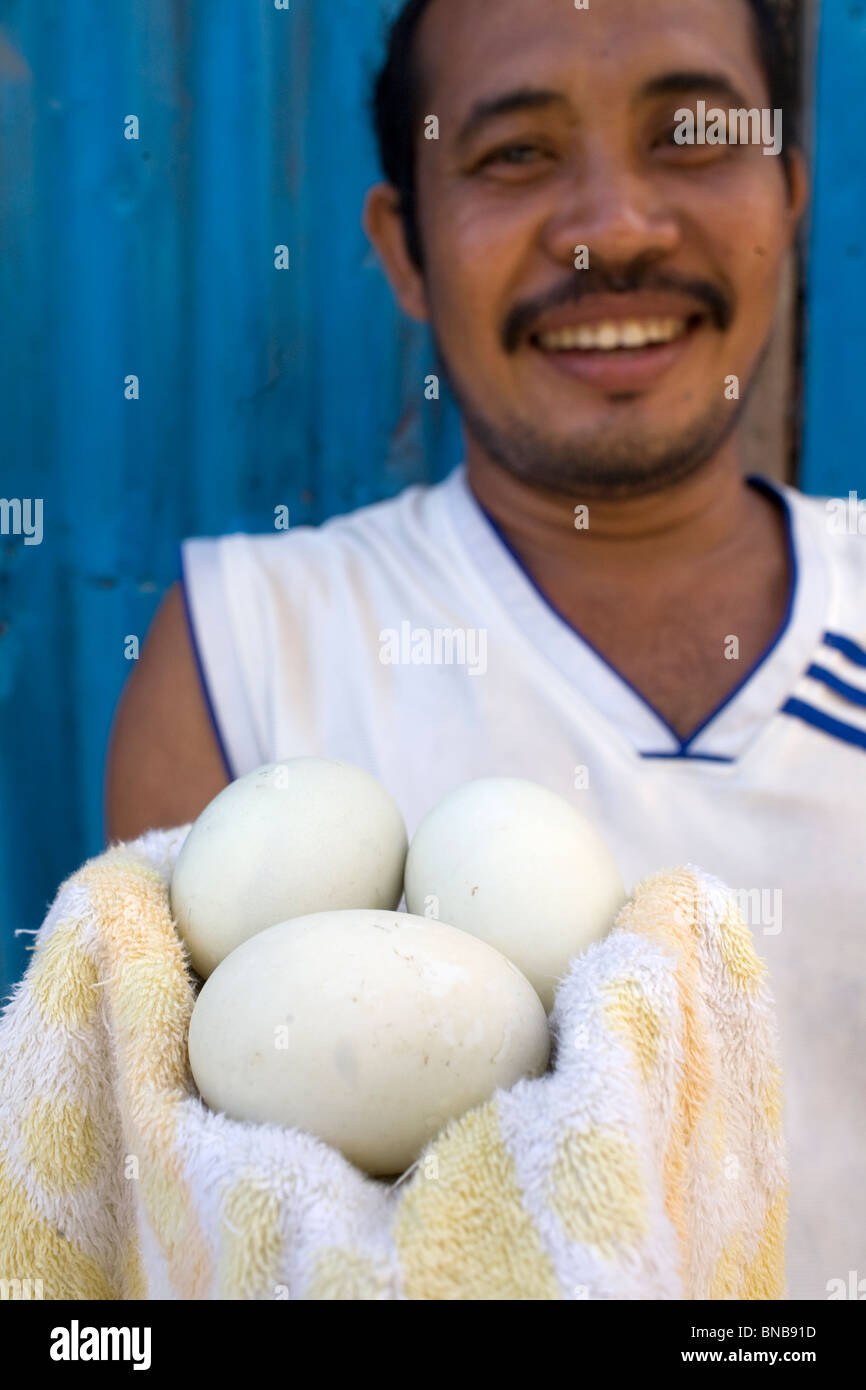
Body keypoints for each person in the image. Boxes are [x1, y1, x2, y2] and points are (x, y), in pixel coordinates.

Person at [104, 0, 865, 1301]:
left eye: (690, 137)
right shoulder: (244, 652)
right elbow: (177, 1219)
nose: (615, 226)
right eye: (513, 154)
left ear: (786, 190)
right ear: (403, 246)